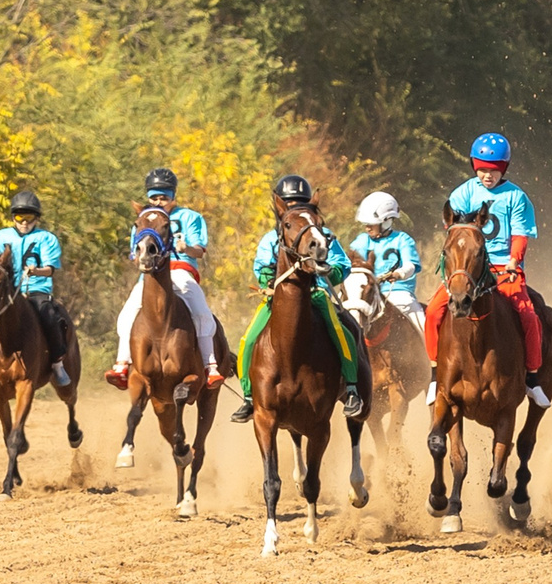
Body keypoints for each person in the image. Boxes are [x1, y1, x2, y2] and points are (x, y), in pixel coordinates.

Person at [424, 133, 552, 410]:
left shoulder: (516, 197)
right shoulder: (462, 194)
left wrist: (513, 261)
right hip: (469, 268)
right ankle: (436, 374)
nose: (487, 175)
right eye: (482, 169)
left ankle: (531, 377)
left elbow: (519, 234)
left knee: (529, 316)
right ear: (474, 167)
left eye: (493, 170)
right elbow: (455, 235)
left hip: (503, 268)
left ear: (503, 169)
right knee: (434, 311)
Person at [233, 174, 364, 422]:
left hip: (315, 294)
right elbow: (260, 265)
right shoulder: (271, 238)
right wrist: (267, 280)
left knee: (343, 333)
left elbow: (341, 264)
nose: (296, 209)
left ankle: (352, 390)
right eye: (291, 204)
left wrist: (331, 272)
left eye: (301, 204)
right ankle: (249, 397)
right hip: (279, 298)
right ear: (282, 207)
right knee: (248, 339)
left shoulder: (322, 233)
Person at [104, 167, 224, 391]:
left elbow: (199, 250)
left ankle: (210, 366)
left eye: (164, 197)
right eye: (154, 197)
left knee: (201, 313)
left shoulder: (189, 217)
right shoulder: (143, 219)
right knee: (126, 315)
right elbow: (135, 254)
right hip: (150, 277)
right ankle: (122, 365)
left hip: (181, 271)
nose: (159, 201)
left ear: (172, 196)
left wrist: (185, 247)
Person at [0, 187, 72, 388]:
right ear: (13, 218)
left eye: (29, 217)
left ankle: (57, 363)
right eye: (20, 216)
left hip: (35, 289)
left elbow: (51, 270)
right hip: (5, 291)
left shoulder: (47, 238)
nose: (24, 222)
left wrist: (37, 271)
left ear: (37, 218)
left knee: (49, 315)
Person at [349, 191, 425, 330]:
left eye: (372, 224)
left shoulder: (402, 239)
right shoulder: (361, 240)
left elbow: (411, 265)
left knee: (422, 324)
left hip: (398, 292)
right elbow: (351, 264)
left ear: (386, 222)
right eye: (366, 224)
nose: (367, 228)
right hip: (367, 292)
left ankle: (430, 350)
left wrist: (399, 274)